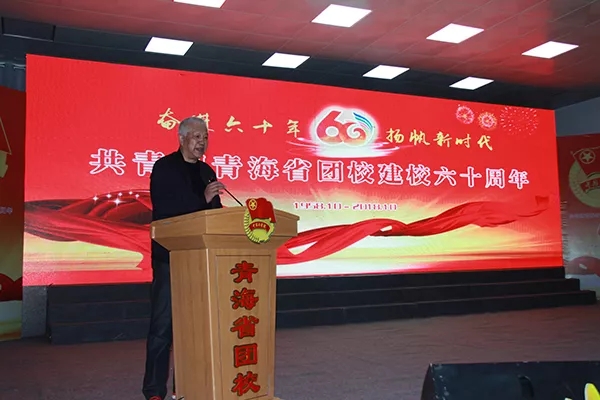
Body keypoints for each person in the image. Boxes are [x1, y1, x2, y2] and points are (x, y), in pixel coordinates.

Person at [143, 116, 225, 400]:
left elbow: (213, 215)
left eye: (205, 137)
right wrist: (203, 199)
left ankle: (185, 386)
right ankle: (154, 391)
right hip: (170, 258)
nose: (202, 142)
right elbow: (165, 210)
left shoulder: (206, 171)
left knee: (192, 327)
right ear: (181, 138)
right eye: (197, 136)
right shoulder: (164, 167)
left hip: (200, 260)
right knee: (162, 327)